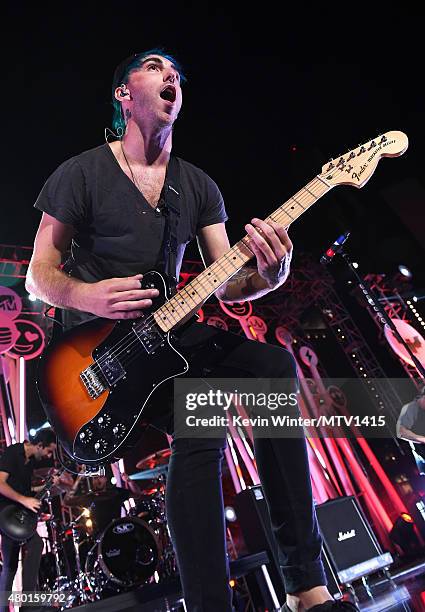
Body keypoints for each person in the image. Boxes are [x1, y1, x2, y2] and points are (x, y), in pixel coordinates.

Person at [25, 49, 359, 612]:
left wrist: (269, 277)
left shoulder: (197, 186)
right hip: (96, 361)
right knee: (200, 418)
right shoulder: (80, 172)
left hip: (169, 337)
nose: (170, 76)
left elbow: (226, 281)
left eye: (175, 72)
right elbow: (39, 275)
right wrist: (88, 295)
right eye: (154, 68)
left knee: (272, 368)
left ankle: (307, 587)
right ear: (124, 95)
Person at [0, 428, 58, 611]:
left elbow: (25, 490)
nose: (49, 455)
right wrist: (24, 500)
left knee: (35, 545)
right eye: (49, 450)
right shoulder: (13, 452)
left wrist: (47, 486)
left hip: (18, 515)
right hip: (5, 513)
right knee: (10, 567)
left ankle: (28, 604)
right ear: (39, 445)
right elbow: (0, 483)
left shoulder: (31, 462)